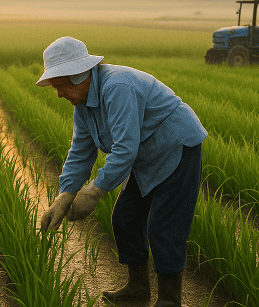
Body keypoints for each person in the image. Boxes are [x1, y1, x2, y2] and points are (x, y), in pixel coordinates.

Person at [38, 37, 206, 307]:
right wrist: (64, 196)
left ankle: (169, 300)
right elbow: (81, 151)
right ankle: (138, 289)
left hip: (176, 146)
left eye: (60, 86)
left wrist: (93, 192)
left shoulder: (117, 86)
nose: (58, 94)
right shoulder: (82, 105)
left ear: (78, 77)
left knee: (164, 228)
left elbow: (125, 149)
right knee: (125, 217)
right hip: (145, 157)